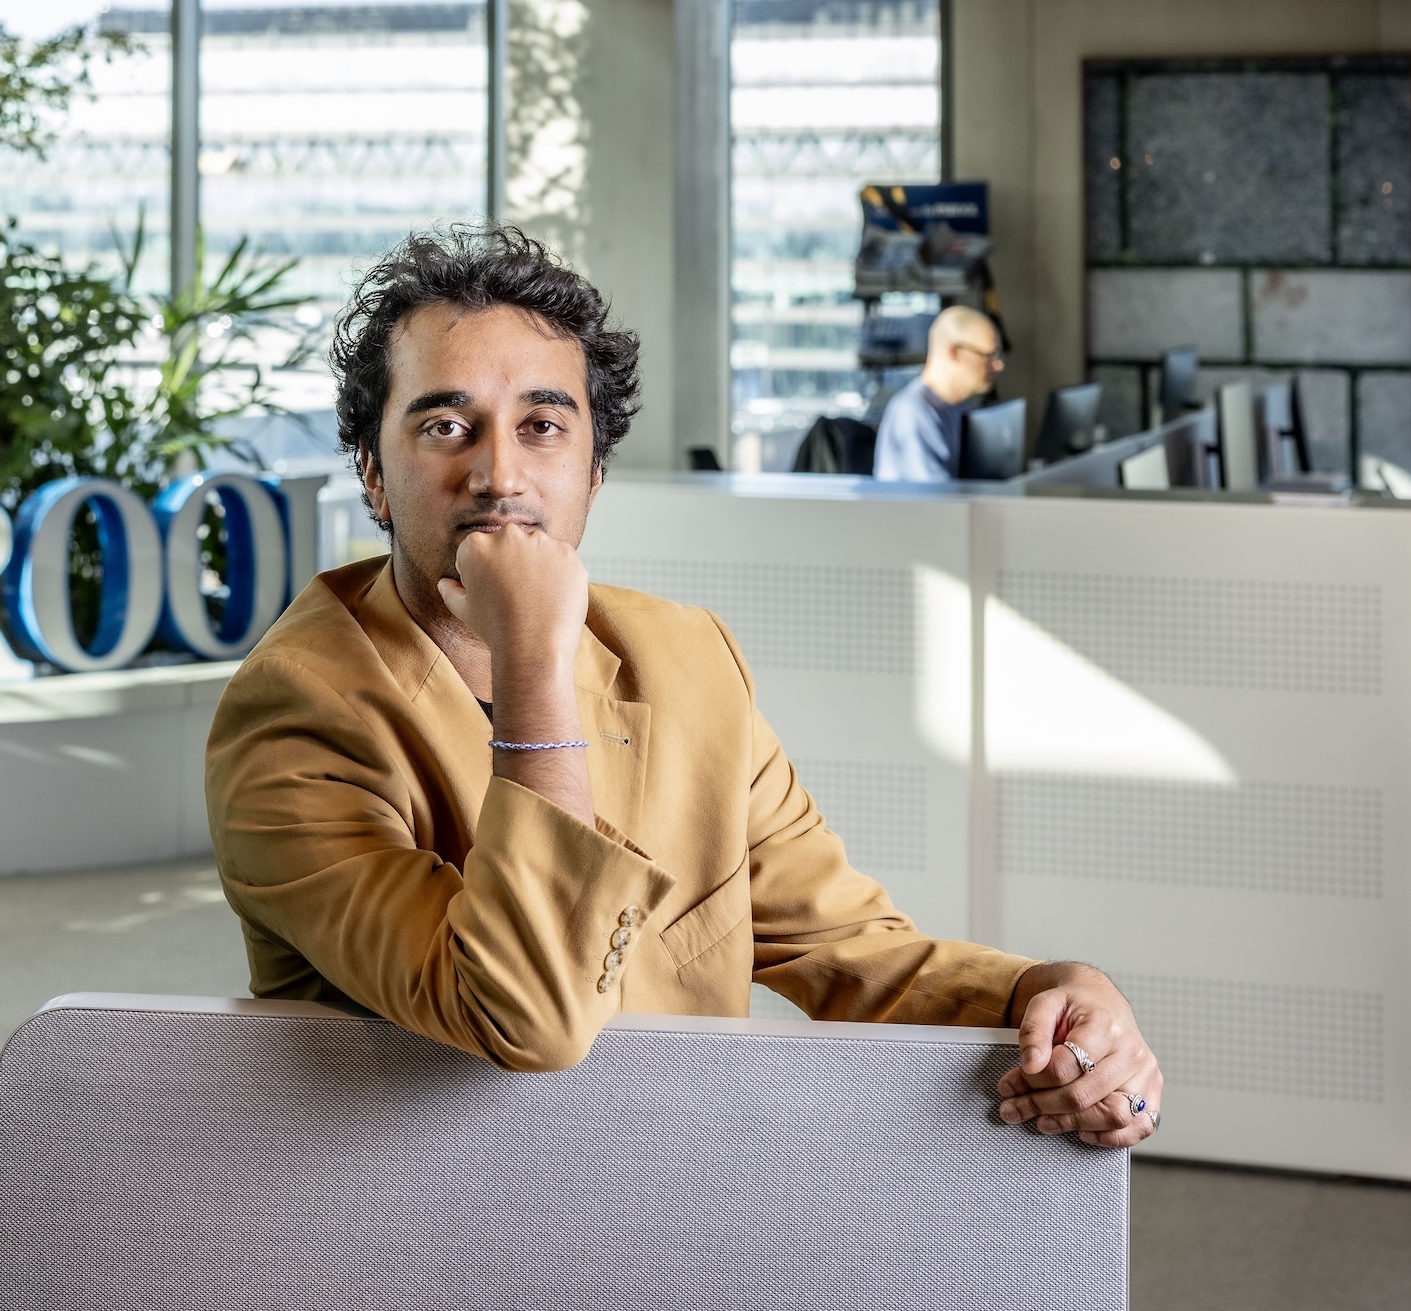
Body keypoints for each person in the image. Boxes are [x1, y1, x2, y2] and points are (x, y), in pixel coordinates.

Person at [205, 227, 1162, 1148]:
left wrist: (1045, 990)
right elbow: (527, 1017)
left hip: (679, 1182)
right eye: (446, 426)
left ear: (594, 472)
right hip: (422, 1205)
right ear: (374, 474)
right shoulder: (294, 716)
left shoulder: (688, 658)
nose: (499, 475)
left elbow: (849, 950)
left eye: (543, 426)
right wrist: (534, 661)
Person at [871, 305, 1005, 482]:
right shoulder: (913, 411)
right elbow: (938, 495)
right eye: (988, 356)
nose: (998, 365)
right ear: (954, 352)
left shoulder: (953, 408)